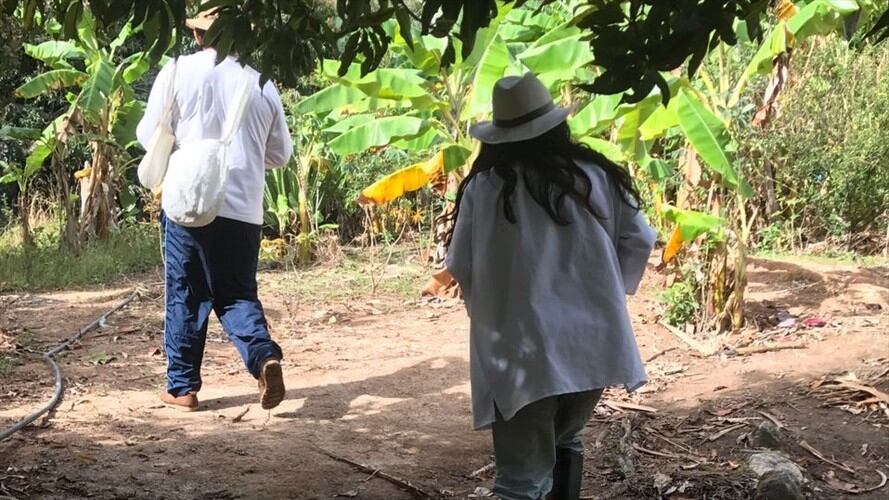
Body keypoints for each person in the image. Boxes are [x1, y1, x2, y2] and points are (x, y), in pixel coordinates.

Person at [444, 73, 657, 500]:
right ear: (557, 125)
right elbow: (641, 239)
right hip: (592, 341)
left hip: (520, 353)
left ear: (499, 137)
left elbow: (460, 265)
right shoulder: (595, 175)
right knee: (565, 441)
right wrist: (604, 289)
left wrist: (493, 301)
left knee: (520, 481)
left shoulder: (486, 188)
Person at [136, 4, 293, 412]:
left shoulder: (175, 72)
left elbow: (146, 134)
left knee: (186, 292)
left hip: (187, 204)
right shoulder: (262, 84)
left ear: (197, 35)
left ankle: (182, 388)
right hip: (242, 207)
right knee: (238, 293)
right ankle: (263, 358)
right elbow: (279, 155)